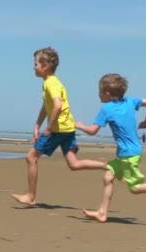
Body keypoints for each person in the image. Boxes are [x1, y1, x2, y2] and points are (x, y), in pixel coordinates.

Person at [76, 73, 146, 223]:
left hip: (128, 155)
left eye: (99, 91)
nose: (98, 94)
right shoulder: (130, 102)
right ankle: (102, 213)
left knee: (135, 188)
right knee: (108, 177)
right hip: (127, 153)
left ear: (107, 94)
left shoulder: (107, 109)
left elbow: (92, 131)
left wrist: (79, 125)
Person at [11, 47, 106, 206]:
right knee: (74, 164)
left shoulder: (51, 83)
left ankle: (31, 196)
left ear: (45, 66)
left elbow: (57, 106)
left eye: (35, 64)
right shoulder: (52, 83)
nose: (33, 67)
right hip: (67, 128)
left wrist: (48, 128)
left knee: (31, 157)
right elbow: (46, 106)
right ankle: (107, 166)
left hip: (58, 129)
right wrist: (37, 125)